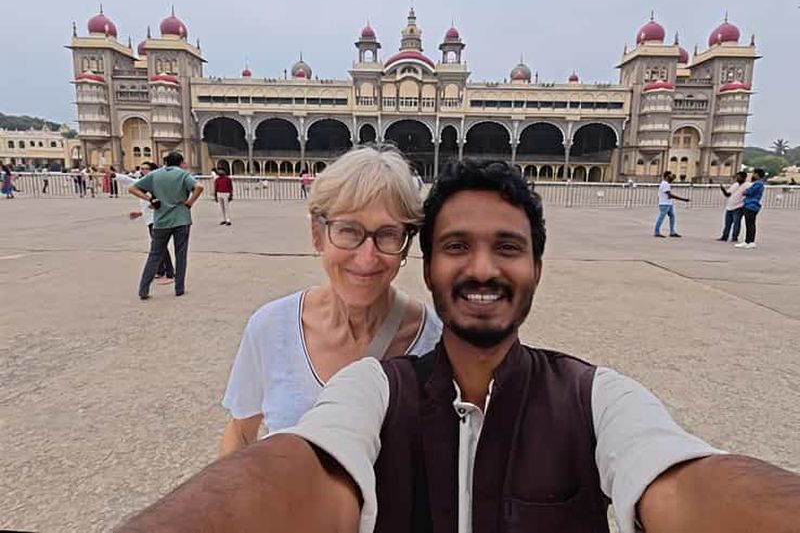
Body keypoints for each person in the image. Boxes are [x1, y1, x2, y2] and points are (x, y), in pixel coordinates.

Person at [119, 160, 800, 533]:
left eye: (508, 246)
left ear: (539, 265)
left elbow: (678, 474)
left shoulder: (594, 398)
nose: (480, 269)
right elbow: (303, 461)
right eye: (456, 246)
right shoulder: (377, 383)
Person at [219, 147, 441, 457]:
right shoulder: (271, 328)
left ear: (405, 247)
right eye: (348, 230)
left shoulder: (435, 342)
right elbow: (241, 434)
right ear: (316, 233)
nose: (367, 258)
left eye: (388, 234)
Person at [129, 151, 203, 299]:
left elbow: (132, 188)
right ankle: (179, 288)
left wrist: (149, 198)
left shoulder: (155, 174)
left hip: (161, 220)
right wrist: (190, 202)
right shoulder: (182, 175)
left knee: (155, 255)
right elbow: (199, 187)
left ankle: (143, 289)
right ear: (180, 162)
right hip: (181, 219)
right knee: (180, 254)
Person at [115, 162, 175, 283]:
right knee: (157, 246)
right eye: (142, 169)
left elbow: (163, 199)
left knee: (159, 246)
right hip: (149, 218)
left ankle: (169, 272)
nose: (143, 171)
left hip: (157, 219)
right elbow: (130, 182)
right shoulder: (144, 183)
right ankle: (161, 270)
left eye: (146, 169)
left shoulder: (155, 183)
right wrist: (140, 213)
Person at [735, 168, 765, 250]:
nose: (753, 175)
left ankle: (749, 241)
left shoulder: (758, 183)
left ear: (757, 174)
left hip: (751, 205)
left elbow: (749, 192)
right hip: (751, 205)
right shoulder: (759, 183)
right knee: (750, 224)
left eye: (754, 173)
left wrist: (746, 191)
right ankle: (749, 241)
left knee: (750, 224)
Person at [653, 171, 689, 238]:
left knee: (672, 216)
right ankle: (656, 232)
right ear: (667, 177)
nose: (672, 178)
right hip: (664, 204)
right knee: (661, 218)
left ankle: (672, 232)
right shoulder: (665, 184)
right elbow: (670, 195)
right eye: (670, 176)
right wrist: (683, 199)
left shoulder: (666, 184)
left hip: (668, 203)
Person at [717, 170, 750, 242]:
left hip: (739, 207)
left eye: (739, 177)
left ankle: (734, 237)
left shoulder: (748, 185)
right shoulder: (735, 185)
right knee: (727, 223)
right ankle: (724, 236)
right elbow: (728, 194)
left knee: (736, 223)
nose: (737, 179)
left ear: (743, 178)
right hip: (730, 206)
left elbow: (749, 194)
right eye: (737, 177)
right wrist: (723, 190)